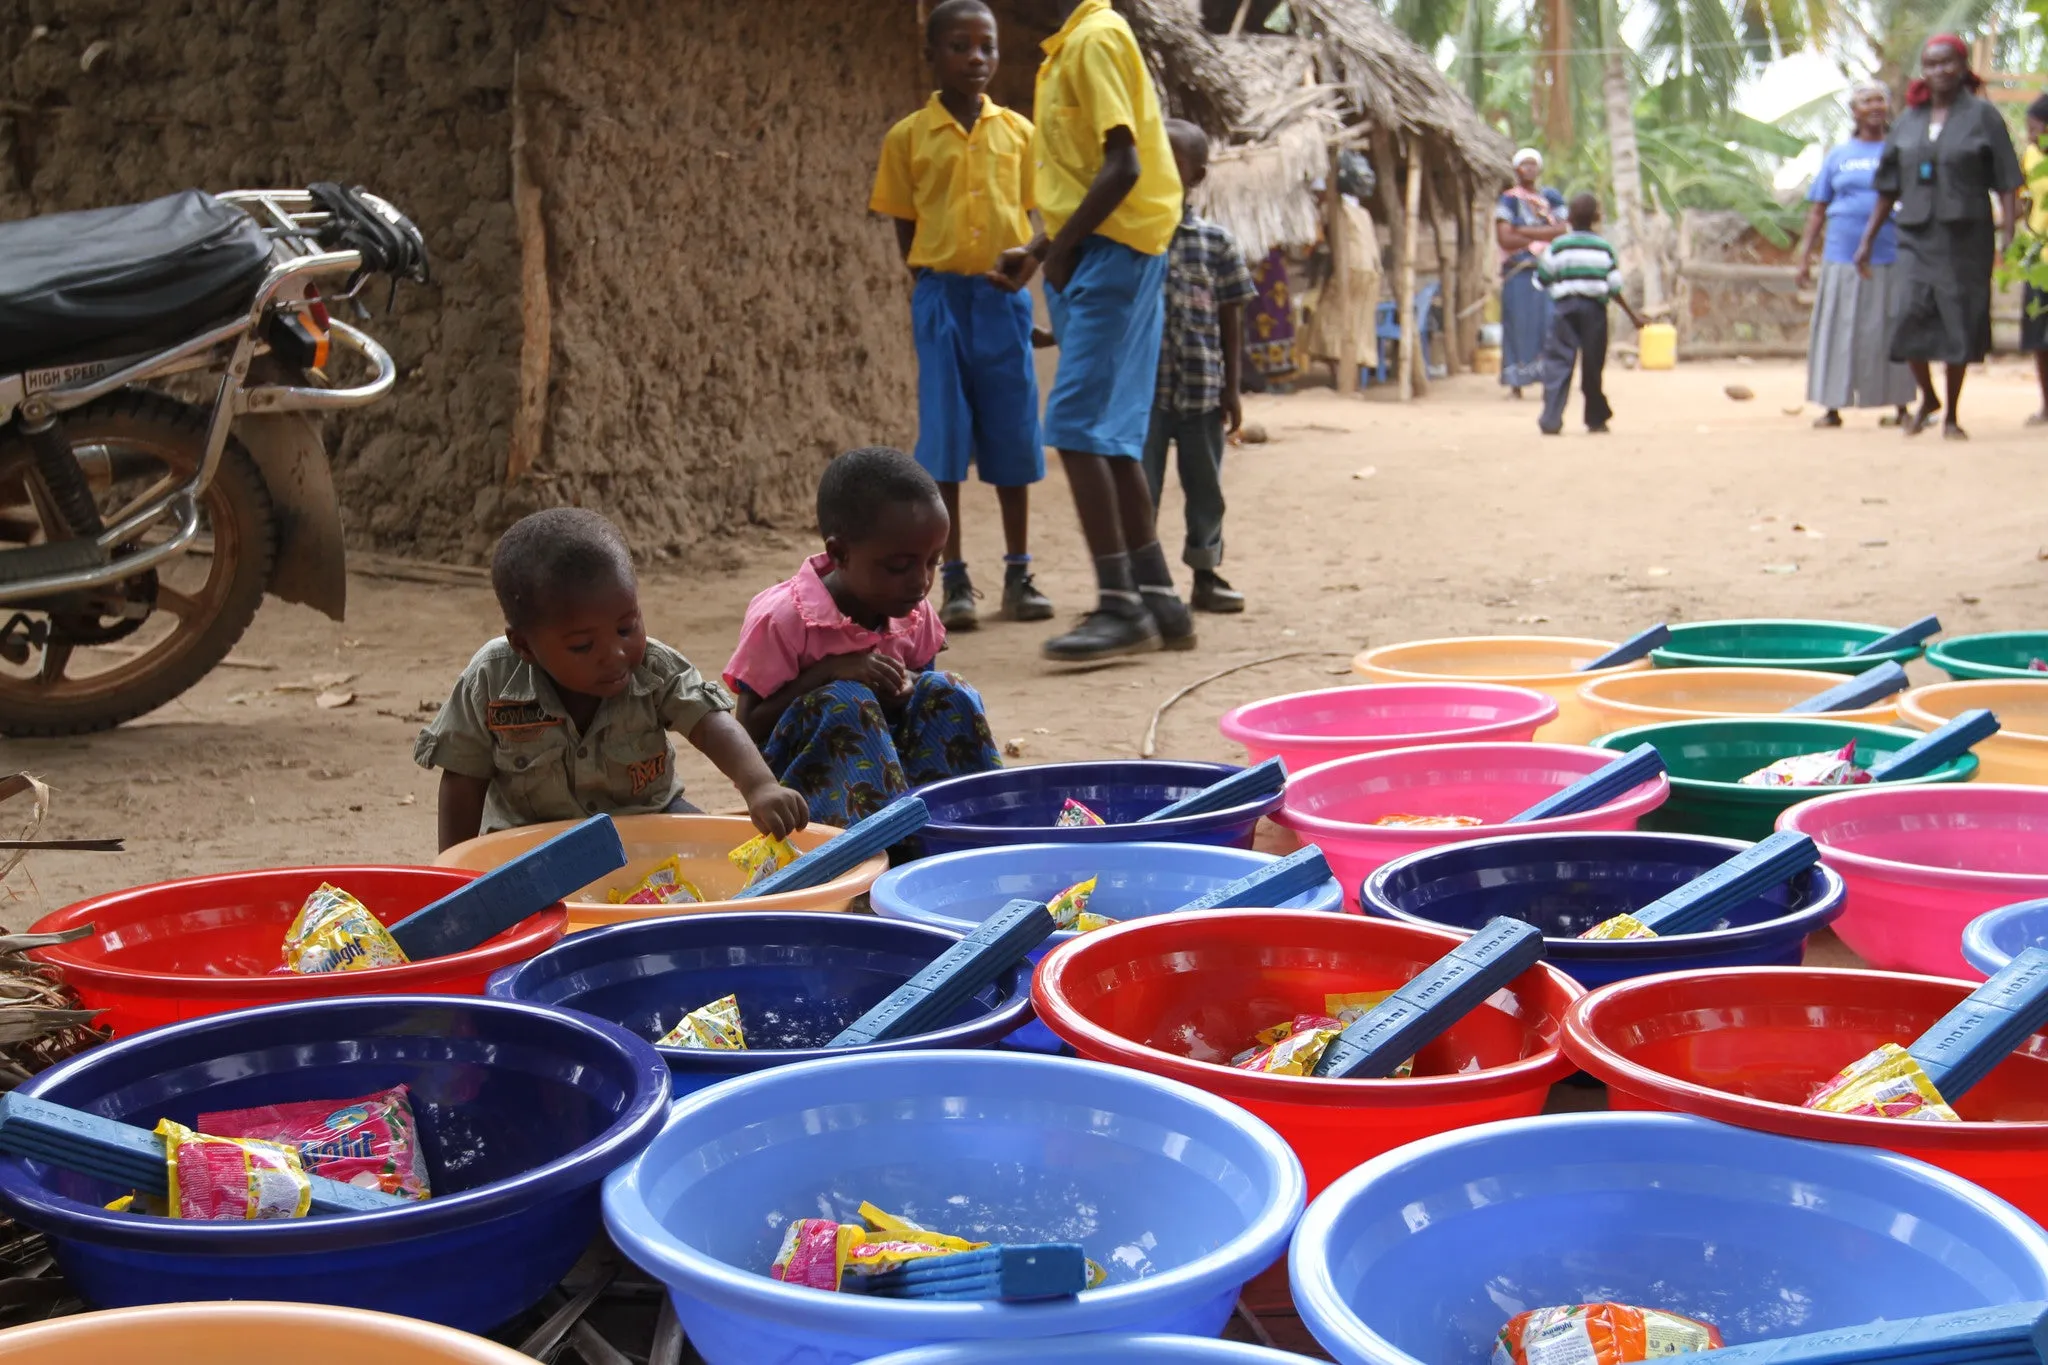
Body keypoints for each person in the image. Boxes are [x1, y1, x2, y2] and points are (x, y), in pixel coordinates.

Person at [416, 509, 809, 851]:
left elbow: (710, 723)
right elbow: (462, 781)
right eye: (583, 646)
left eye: (626, 627)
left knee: (710, 864)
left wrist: (760, 785)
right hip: (529, 840)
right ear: (525, 646)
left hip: (649, 820)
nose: (616, 654)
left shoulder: (654, 667)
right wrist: (454, 874)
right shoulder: (491, 680)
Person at [990, 0, 1189, 663]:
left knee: (1074, 422)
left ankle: (1118, 603)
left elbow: (1124, 166)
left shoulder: (1097, 39)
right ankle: (1158, 596)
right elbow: (1082, 179)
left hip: (1113, 251)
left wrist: (1066, 248)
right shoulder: (1065, 51)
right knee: (1110, 434)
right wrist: (1043, 248)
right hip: (1099, 248)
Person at [871, 0, 1054, 633]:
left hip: (1002, 300)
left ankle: (1019, 572)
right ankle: (953, 580)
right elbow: (903, 222)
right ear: (930, 55)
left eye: (987, 47)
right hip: (941, 297)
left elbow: (1040, 221)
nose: (976, 58)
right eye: (959, 46)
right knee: (943, 441)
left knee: (1013, 433)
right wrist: (927, 283)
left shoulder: (1021, 133)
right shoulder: (908, 137)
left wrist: (1025, 270)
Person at [726, 446, 1002, 827]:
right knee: (849, 700)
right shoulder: (785, 618)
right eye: (899, 566)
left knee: (949, 690)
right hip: (808, 788)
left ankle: (968, 825)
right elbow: (750, 726)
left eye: (933, 562)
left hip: (901, 775)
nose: (921, 581)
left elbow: (924, 699)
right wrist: (830, 672)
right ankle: (869, 845)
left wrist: (905, 686)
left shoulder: (912, 608)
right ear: (839, 554)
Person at [1855, 34, 2021, 439]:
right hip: (1914, 233)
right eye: (1930, 64)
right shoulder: (1908, 120)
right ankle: (1927, 396)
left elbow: (2007, 180)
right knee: (1907, 315)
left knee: (1958, 320)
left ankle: (1952, 415)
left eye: (1947, 63)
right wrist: (1867, 240)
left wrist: (2010, 231)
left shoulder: (1983, 116)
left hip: (1966, 235)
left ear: (1963, 67)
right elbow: (1888, 186)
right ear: (1922, 71)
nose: (1939, 71)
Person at [1141, 120, 1257, 615]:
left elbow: (1231, 319)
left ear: (1198, 175)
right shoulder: (1134, 241)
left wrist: (1232, 389)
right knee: (1140, 489)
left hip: (1202, 391)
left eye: (1172, 162)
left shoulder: (1216, 243)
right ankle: (1142, 584)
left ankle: (1205, 575)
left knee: (1205, 489)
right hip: (1143, 395)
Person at [1794, 81, 1916, 428]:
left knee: (1891, 326)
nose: (1875, 106)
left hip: (1891, 253)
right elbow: (1818, 209)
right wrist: (1804, 256)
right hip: (1841, 254)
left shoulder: (1900, 150)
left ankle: (1902, 406)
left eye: (1881, 100)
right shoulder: (1838, 156)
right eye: (1867, 101)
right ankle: (1833, 407)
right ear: (1854, 110)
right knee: (1839, 326)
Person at [1536, 192, 1648, 436]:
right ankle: (1595, 419)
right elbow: (1614, 287)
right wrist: (1633, 316)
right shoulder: (1604, 248)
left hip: (1564, 309)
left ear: (1569, 218)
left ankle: (1551, 419)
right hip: (1594, 312)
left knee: (1558, 363)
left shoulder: (1557, 246)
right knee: (1592, 365)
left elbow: (1543, 278)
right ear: (1596, 218)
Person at [1495, 149, 1569, 397]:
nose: (1529, 170)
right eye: (1524, 165)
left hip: (1548, 273)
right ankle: (1516, 383)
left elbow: (1562, 231)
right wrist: (1543, 233)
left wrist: (1523, 231)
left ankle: (1549, 381)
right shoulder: (1508, 200)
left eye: (1533, 165)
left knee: (1549, 326)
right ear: (1516, 170)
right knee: (1517, 325)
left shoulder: (1551, 198)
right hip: (1518, 273)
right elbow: (1505, 238)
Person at [2020, 94, 2048, 423]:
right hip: (2038, 259)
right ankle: (2046, 405)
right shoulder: (2029, 156)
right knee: (2040, 337)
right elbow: (2027, 201)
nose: (2029, 135)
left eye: (2035, 128)